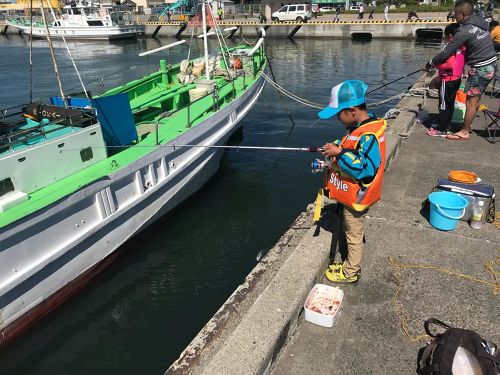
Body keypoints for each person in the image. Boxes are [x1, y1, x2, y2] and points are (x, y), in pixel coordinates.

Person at [318, 80, 386, 284]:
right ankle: (349, 267)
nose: (338, 118)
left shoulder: (370, 134)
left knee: (354, 235)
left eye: (339, 114)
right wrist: (337, 146)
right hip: (350, 195)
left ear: (352, 110)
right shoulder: (361, 126)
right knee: (351, 230)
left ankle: (350, 272)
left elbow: (363, 168)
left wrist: (339, 153)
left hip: (359, 197)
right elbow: (350, 144)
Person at [424, 0, 497, 140]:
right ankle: (468, 125)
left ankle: (464, 132)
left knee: (471, 101)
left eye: (456, 13)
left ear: (463, 14)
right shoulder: (479, 22)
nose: (454, 16)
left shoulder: (464, 31)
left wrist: (430, 63)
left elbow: (446, 52)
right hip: (491, 64)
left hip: (481, 68)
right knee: (476, 98)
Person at [427, 23, 466, 137]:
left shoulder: (450, 47)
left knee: (443, 104)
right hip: (456, 79)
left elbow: (450, 64)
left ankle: (443, 129)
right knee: (450, 103)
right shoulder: (462, 46)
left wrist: (436, 65)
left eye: (444, 36)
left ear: (449, 36)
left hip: (447, 80)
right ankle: (446, 125)